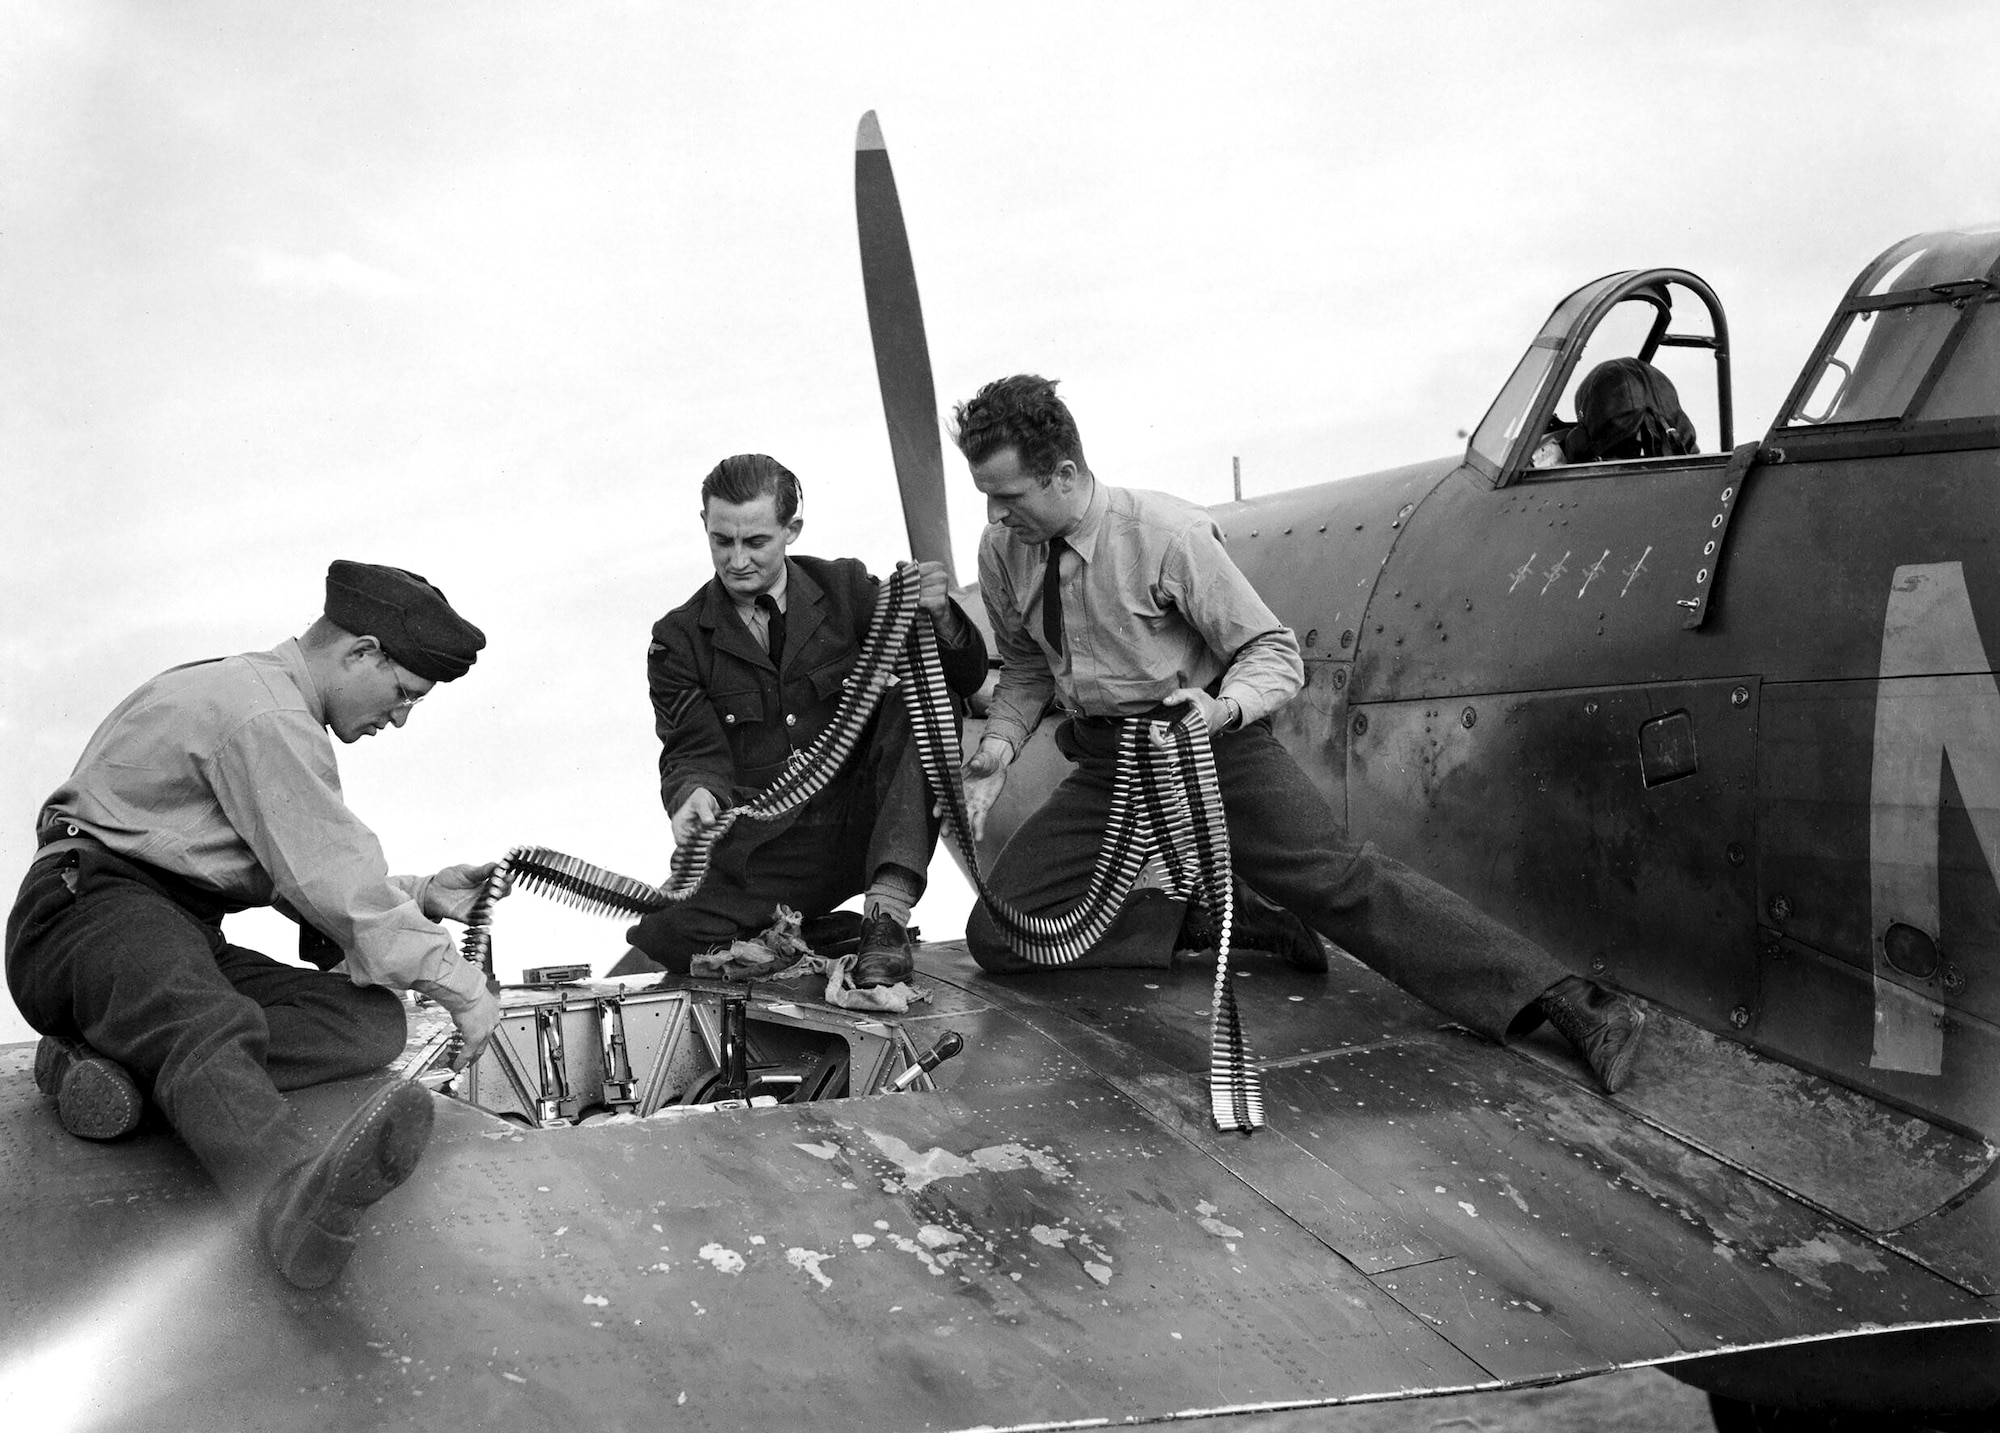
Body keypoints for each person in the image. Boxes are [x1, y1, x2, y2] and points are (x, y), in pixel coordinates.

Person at [951, 375, 1646, 1094]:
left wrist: (1220, 711)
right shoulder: (1004, 551)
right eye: (987, 497)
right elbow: (1029, 664)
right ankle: (1210, 920)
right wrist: (998, 749)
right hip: (1110, 766)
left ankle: (1570, 1001)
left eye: (1009, 495)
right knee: (1000, 934)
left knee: (1338, 879)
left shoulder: (1167, 536)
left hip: (1210, 744)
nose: (997, 514)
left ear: (1063, 475)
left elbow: (1274, 652)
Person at [5, 560, 501, 1289]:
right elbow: (336, 878)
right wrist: (462, 986)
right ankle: (291, 1206)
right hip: (88, 914)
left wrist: (423, 894)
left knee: (369, 1025)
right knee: (206, 1027)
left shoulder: (258, 696)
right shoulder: (266, 717)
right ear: (361, 650)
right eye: (403, 693)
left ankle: (99, 1060)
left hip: (163, 924)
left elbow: (293, 867)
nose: (399, 717)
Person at [619, 453, 989, 987]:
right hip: (774, 851)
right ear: (704, 525)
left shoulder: (846, 590)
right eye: (722, 541)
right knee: (664, 934)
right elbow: (690, 749)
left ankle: (886, 917)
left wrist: (943, 613)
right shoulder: (678, 640)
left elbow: (962, 676)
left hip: (867, 822)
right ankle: (812, 933)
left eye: (756, 542)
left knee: (920, 702)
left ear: (792, 528)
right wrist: (693, 794)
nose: (737, 560)